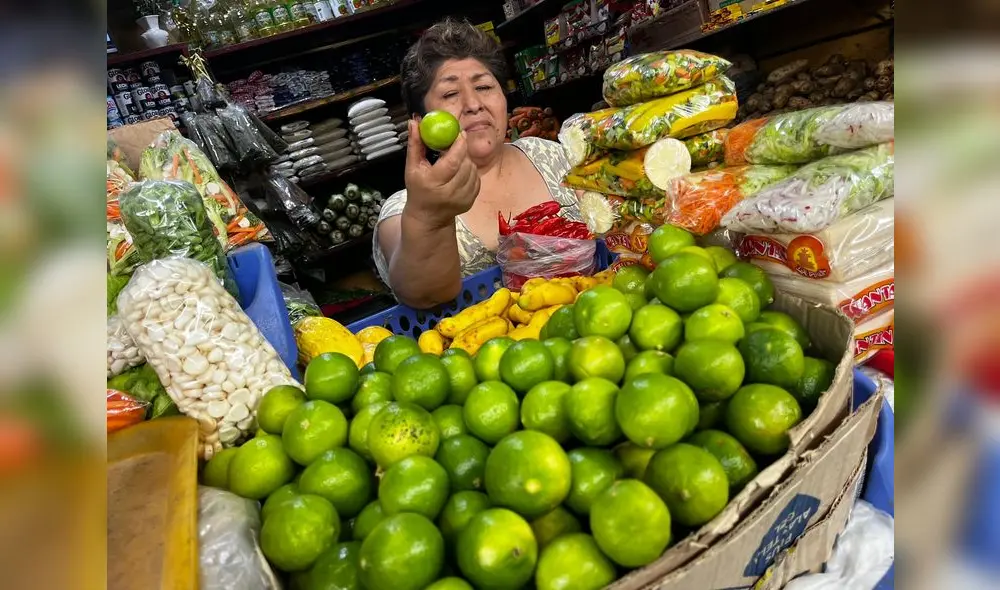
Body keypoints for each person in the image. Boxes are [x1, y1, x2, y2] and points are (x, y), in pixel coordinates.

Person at [373, 19, 582, 309]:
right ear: (420, 122)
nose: (473, 104)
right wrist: (429, 218)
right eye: (450, 94)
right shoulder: (407, 208)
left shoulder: (552, 156)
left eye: (484, 87)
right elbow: (423, 293)